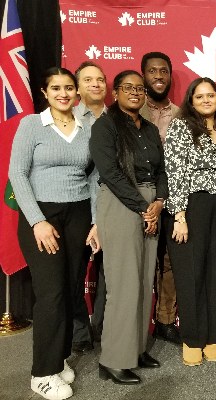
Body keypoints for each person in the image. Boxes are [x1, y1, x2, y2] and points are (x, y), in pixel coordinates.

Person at [9, 67, 100, 400]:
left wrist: (95, 222)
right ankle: (42, 374)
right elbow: (17, 174)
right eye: (56, 88)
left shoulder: (89, 128)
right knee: (50, 295)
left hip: (77, 215)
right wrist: (37, 220)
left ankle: (58, 360)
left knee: (70, 290)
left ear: (77, 92)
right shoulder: (32, 125)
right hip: (42, 216)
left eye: (69, 87)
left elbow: (94, 179)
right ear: (45, 93)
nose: (64, 93)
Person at [90, 70, 167, 385]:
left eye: (139, 88)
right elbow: (110, 172)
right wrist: (142, 208)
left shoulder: (148, 128)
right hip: (123, 204)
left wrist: (159, 202)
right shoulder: (105, 126)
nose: (135, 92)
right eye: (128, 87)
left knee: (145, 278)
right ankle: (113, 359)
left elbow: (161, 168)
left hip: (151, 205)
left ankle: (135, 349)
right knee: (124, 283)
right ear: (116, 92)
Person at [164, 77, 216, 366]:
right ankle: (192, 338)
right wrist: (179, 215)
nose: (206, 100)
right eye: (199, 96)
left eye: (211, 95)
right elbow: (175, 170)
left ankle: (214, 336)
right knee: (191, 274)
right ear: (191, 101)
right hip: (192, 205)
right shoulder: (181, 127)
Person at [140, 51, 182, 345]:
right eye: (153, 71)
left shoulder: (181, 114)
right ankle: (138, 325)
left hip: (173, 200)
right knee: (141, 263)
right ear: (143, 75)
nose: (158, 76)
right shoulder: (130, 110)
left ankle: (165, 321)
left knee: (169, 264)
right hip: (139, 200)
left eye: (163, 71)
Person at [71, 60, 108, 353]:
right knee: (73, 274)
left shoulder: (117, 119)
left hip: (111, 209)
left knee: (110, 276)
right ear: (78, 86)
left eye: (100, 79)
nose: (95, 84)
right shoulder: (66, 119)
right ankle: (80, 333)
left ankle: (104, 332)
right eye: (88, 80)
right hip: (78, 209)